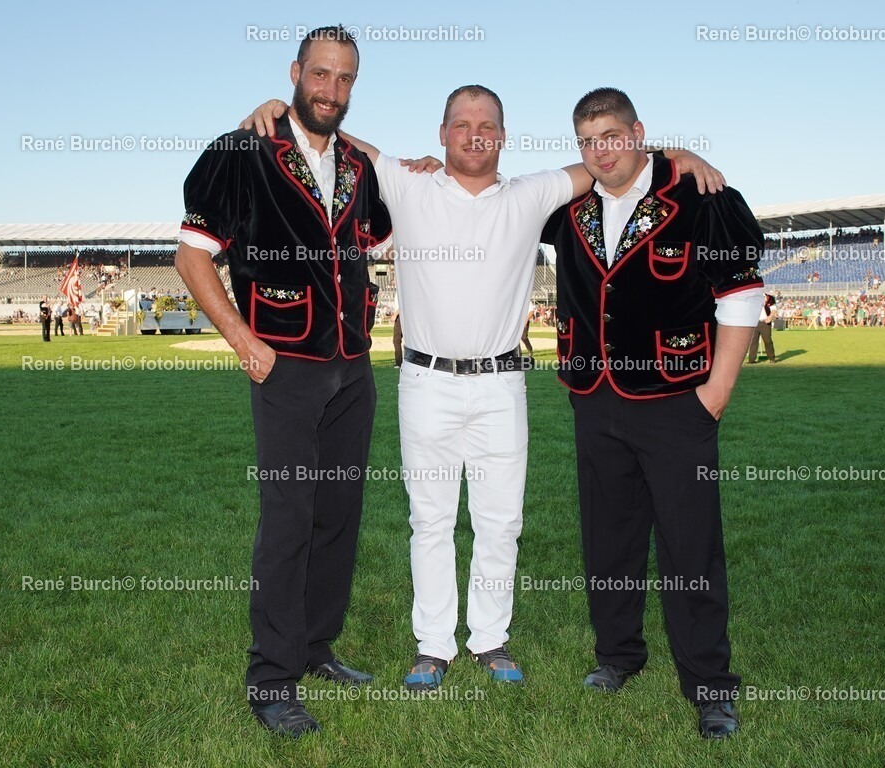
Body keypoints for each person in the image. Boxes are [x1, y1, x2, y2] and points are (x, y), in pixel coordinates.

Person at [243, 87, 725, 693]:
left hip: (501, 385)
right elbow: (330, 135)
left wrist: (676, 154)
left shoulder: (533, 193)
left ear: (504, 134)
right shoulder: (407, 183)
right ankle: (433, 645)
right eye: (462, 124)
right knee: (430, 521)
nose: (475, 135)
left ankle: (490, 638)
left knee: (501, 522)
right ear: (441, 132)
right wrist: (277, 113)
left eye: (488, 125)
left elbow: (617, 161)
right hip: (426, 382)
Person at [174, 26, 393, 738]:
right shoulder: (243, 152)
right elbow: (191, 257)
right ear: (295, 71)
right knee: (289, 519)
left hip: (352, 367)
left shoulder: (357, 165)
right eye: (321, 74)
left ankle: (315, 648)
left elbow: (386, 232)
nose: (332, 89)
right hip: (286, 364)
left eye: (345, 78)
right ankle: (271, 678)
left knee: (338, 515)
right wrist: (244, 342)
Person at [542, 87, 765, 739]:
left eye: (612, 136)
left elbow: (740, 293)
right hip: (595, 397)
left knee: (690, 545)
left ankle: (710, 684)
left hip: (676, 400)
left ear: (638, 132)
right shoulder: (568, 207)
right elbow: (495, 197)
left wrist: (716, 393)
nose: (601, 152)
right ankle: (617, 656)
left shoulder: (701, 196)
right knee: (608, 537)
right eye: (588, 142)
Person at [746, 293, 777, 364]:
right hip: (755, 322)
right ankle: (751, 360)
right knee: (753, 341)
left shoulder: (769, 298)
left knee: (767, 341)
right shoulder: (752, 298)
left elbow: (773, 310)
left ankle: (772, 358)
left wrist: (770, 317)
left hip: (765, 322)